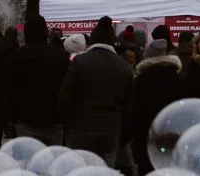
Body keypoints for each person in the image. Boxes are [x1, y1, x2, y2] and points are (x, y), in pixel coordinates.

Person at [58, 17, 134, 166]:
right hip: (111, 130)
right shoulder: (124, 67)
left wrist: (68, 126)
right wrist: (123, 135)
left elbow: (65, 96)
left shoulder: (80, 63)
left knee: (78, 175)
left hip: (80, 128)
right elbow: (129, 105)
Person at [10, 16, 70, 146]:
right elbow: (68, 87)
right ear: (45, 31)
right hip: (54, 118)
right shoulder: (61, 55)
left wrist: (13, 117)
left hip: (26, 117)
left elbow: (11, 87)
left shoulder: (17, 56)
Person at [132, 39, 183, 176]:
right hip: (170, 133)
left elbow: (135, 110)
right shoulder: (177, 78)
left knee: (147, 172)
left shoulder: (142, 80)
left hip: (146, 134)